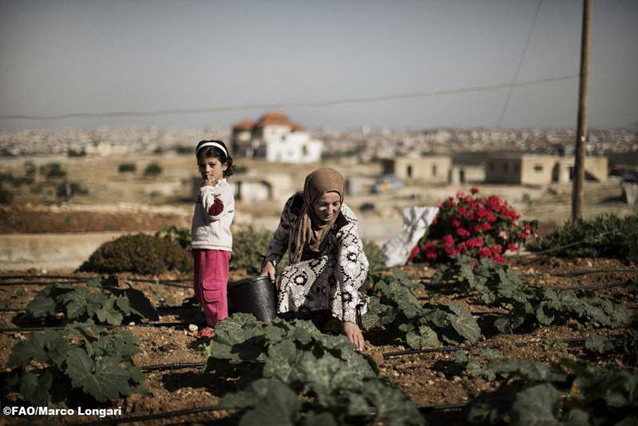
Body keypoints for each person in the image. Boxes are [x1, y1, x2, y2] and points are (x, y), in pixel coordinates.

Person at [260, 168, 368, 350]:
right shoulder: (295, 206)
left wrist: (349, 319)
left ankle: (336, 317)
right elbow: (281, 237)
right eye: (323, 204)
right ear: (311, 199)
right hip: (310, 265)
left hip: (348, 267)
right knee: (288, 277)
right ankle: (315, 315)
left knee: (333, 267)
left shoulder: (345, 221)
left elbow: (346, 270)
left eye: (336, 203)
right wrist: (270, 261)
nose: (330, 211)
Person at [190, 140, 235, 335]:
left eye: (212, 165)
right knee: (201, 286)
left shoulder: (221, 190)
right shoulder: (209, 189)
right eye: (202, 165)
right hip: (203, 244)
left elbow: (214, 212)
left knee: (212, 287)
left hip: (215, 246)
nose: (207, 170)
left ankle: (220, 327)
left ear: (224, 165)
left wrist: (207, 190)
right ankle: (211, 320)